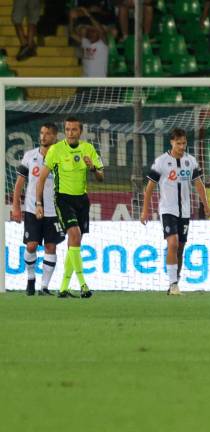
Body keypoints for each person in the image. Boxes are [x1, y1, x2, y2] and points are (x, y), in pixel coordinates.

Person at [36, 117, 104, 298]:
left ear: (80, 132)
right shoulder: (56, 150)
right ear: (64, 131)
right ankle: (83, 285)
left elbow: (100, 176)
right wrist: (38, 203)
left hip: (82, 199)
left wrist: (92, 168)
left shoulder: (88, 149)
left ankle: (64, 287)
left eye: (74, 130)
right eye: (67, 129)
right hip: (63, 199)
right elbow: (41, 178)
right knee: (74, 234)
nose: (70, 133)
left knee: (75, 242)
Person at [140, 128, 210, 295]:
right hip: (168, 210)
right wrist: (145, 211)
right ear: (171, 142)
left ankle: (175, 281)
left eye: (184, 143)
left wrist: (206, 205)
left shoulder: (191, 161)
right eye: (178, 143)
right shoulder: (161, 162)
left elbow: (198, 184)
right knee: (172, 243)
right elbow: (149, 188)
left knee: (180, 247)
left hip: (185, 211)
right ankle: (172, 284)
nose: (181, 146)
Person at [11, 124, 65, 296]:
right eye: (42, 133)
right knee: (32, 245)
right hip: (32, 209)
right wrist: (16, 206)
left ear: (55, 137)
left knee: (51, 246)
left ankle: (44, 287)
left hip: (54, 211)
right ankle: (31, 278)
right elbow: (19, 183)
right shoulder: (29, 156)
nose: (43, 136)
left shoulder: (62, 158)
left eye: (48, 133)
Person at [69, 7, 108, 77]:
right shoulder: (85, 42)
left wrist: (88, 15)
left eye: (94, 31)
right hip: (85, 80)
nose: (91, 32)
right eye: (90, 31)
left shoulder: (102, 44)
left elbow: (101, 31)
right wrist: (71, 19)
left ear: (98, 33)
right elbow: (71, 33)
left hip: (98, 82)